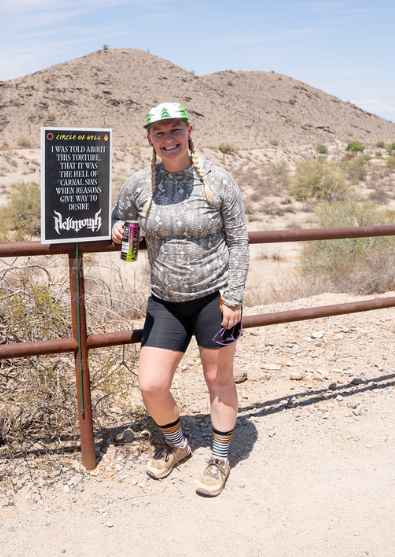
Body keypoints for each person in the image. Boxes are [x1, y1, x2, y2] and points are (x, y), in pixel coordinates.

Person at [111, 102, 249, 497]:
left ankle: (219, 458)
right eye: (159, 132)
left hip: (216, 299)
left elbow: (239, 242)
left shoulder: (219, 180)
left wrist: (234, 298)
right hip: (165, 301)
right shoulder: (140, 184)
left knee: (217, 379)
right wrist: (118, 227)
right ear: (149, 138)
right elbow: (115, 217)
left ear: (189, 131)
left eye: (175, 130)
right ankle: (179, 446)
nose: (168, 139)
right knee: (152, 385)